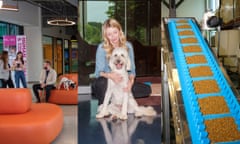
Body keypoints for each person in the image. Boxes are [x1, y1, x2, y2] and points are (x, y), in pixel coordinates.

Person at [91, 18, 151, 105]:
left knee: (146, 89)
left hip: (123, 80)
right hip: (107, 81)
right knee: (101, 83)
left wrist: (130, 83)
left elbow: (132, 71)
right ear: (106, 36)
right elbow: (98, 73)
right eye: (109, 34)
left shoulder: (128, 46)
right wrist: (111, 75)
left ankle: (117, 99)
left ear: (119, 31)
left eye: (115, 32)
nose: (113, 36)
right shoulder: (101, 48)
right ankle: (105, 105)